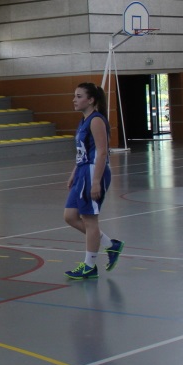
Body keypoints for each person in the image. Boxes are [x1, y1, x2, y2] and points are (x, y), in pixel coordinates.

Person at [63, 82, 123, 280]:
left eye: (79, 96)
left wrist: (96, 181)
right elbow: (84, 152)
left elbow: (102, 152)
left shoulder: (96, 120)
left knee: (90, 220)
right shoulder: (83, 120)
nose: (74, 99)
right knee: (70, 216)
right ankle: (110, 245)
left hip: (93, 172)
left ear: (91, 100)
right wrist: (74, 172)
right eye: (75, 95)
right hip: (82, 171)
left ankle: (89, 266)